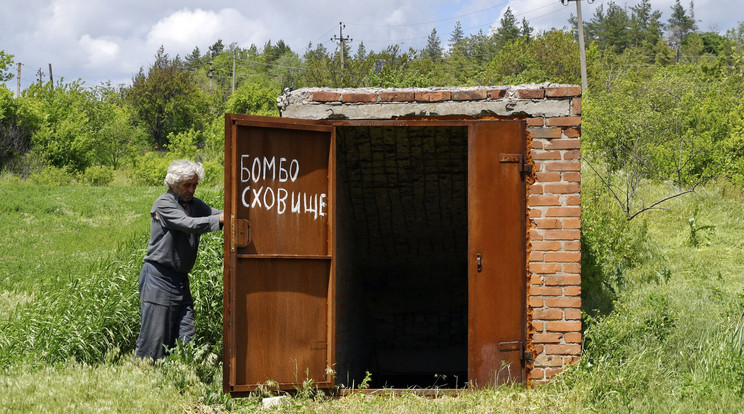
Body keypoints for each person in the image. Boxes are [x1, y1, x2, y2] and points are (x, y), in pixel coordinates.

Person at [135, 159, 224, 360]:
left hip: (181, 281)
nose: (192, 189)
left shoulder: (193, 204)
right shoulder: (164, 203)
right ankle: (143, 381)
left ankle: (179, 381)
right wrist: (219, 220)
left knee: (186, 338)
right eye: (187, 185)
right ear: (174, 183)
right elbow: (188, 224)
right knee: (153, 342)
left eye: (195, 185)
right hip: (159, 279)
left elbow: (218, 215)